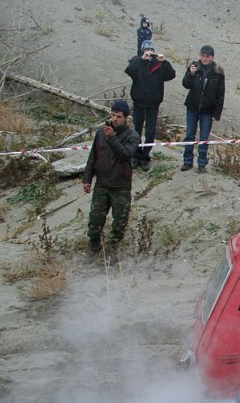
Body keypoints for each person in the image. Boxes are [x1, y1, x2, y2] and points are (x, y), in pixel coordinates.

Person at [82, 100, 140, 264]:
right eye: (113, 115)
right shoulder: (101, 133)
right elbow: (93, 156)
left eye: (119, 116)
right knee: (95, 220)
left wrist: (113, 138)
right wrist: (87, 179)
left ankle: (113, 249)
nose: (114, 119)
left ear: (126, 118)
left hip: (120, 186)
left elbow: (126, 155)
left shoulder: (132, 136)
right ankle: (94, 248)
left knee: (119, 222)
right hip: (102, 184)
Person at [124, 39, 175, 171]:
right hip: (139, 102)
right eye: (147, 50)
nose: (149, 52)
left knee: (150, 132)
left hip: (153, 103)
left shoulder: (159, 65)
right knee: (136, 130)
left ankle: (145, 156)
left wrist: (165, 62)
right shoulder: (137, 61)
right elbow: (129, 71)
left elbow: (171, 75)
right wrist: (142, 59)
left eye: (151, 50)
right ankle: (135, 156)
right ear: (142, 50)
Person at [180, 45, 225, 173]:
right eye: (203, 56)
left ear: (212, 57)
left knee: (204, 137)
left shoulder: (218, 71)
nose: (205, 59)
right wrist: (191, 73)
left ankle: (202, 163)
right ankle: (187, 161)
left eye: (208, 56)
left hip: (208, 110)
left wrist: (217, 113)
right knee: (189, 135)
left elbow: (220, 94)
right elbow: (186, 84)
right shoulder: (194, 66)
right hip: (192, 107)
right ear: (200, 55)